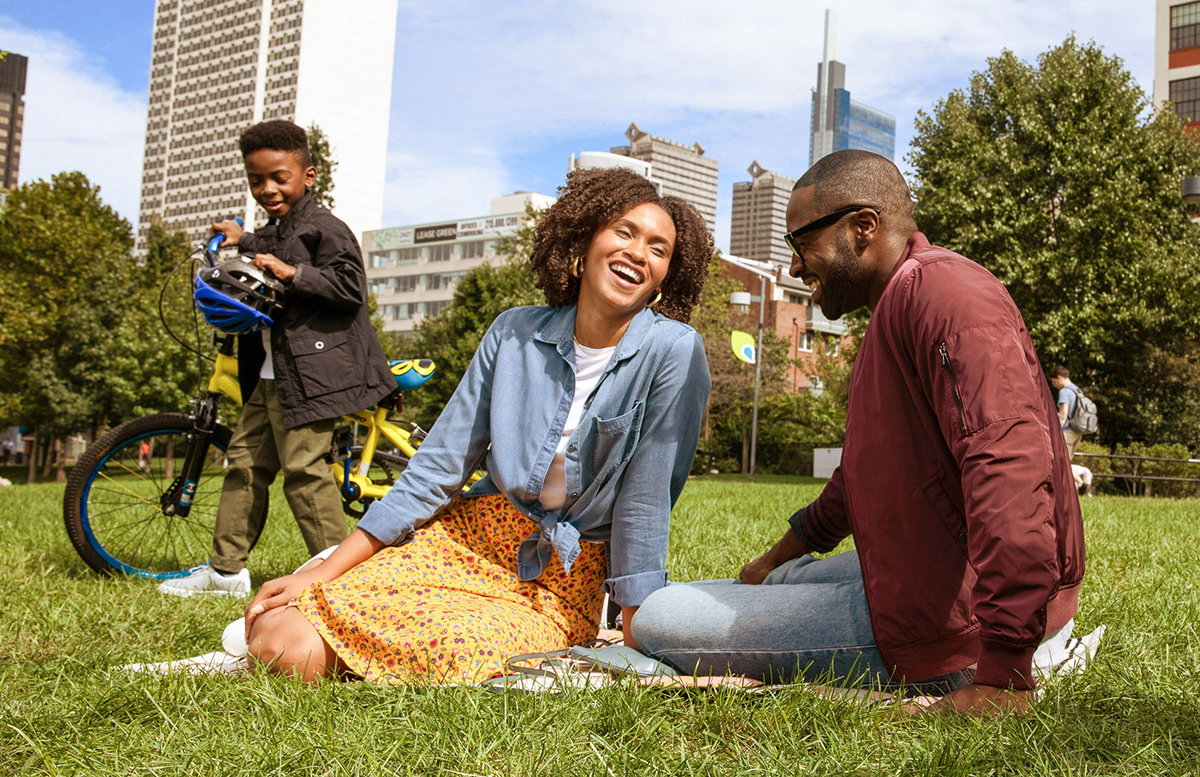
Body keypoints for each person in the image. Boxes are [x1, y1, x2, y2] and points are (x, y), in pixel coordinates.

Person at [633, 149, 1085, 716]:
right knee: (750, 587)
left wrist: (1005, 671)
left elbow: (1010, 470)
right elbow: (860, 479)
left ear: (862, 227)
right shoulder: (891, 312)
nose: (796, 267)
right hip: (933, 569)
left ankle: (1026, 655)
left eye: (801, 244)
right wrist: (775, 560)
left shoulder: (948, 296)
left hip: (969, 622)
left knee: (659, 615)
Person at [240, 167, 712, 684]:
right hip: (470, 537)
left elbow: (644, 503)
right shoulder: (513, 331)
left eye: (658, 248)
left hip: (560, 578)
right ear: (584, 240)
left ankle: (370, 645)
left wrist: (635, 641)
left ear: (667, 275)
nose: (638, 253)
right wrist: (324, 574)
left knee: (455, 652)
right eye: (623, 232)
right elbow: (436, 468)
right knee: (281, 640)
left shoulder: (673, 351)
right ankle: (343, 589)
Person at [158, 120, 396, 598]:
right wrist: (239, 238)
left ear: (308, 175)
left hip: (315, 377)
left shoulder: (325, 228)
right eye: (256, 180)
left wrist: (292, 273)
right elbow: (268, 247)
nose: (267, 189)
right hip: (273, 375)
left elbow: (349, 288)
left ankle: (342, 582)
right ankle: (226, 573)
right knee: (244, 465)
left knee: (304, 473)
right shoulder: (277, 230)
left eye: (279, 178)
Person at [1049, 366, 1086, 460]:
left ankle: (1081, 475)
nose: (1054, 385)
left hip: (1068, 430)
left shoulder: (1064, 391)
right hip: (1078, 430)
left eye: (1054, 382)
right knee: (1067, 463)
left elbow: (1064, 413)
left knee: (1062, 463)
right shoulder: (1077, 390)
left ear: (1059, 377)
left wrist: (1058, 430)